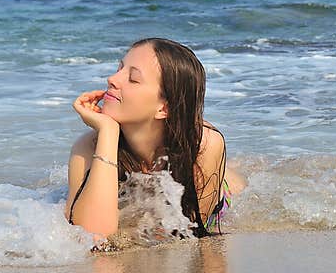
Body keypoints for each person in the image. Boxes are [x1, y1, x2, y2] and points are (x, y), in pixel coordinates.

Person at [65, 37, 244, 243]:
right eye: (120, 68)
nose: (112, 79)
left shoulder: (204, 144)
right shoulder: (88, 147)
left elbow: (193, 233)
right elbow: (92, 235)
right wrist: (108, 132)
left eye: (132, 78)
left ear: (164, 108)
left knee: (233, 178)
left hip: (221, 191)